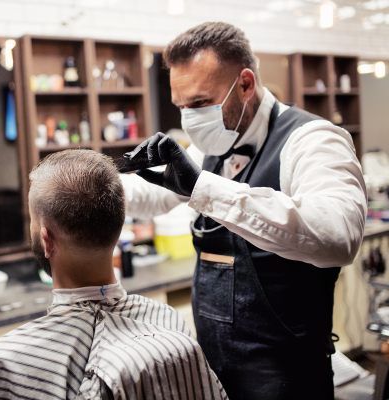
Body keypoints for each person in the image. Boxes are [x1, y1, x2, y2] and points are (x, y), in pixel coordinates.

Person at [122, 22, 367, 400]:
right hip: (216, 364)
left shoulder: (313, 139)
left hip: (288, 376)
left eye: (200, 103)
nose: (189, 117)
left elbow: (338, 234)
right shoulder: (214, 147)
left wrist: (205, 189)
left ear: (246, 84)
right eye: (181, 106)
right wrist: (93, 184)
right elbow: (155, 195)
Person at [0, 149, 226, 400]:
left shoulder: (7, 360)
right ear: (119, 227)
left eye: (32, 220)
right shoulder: (169, 322)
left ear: (46, 240)